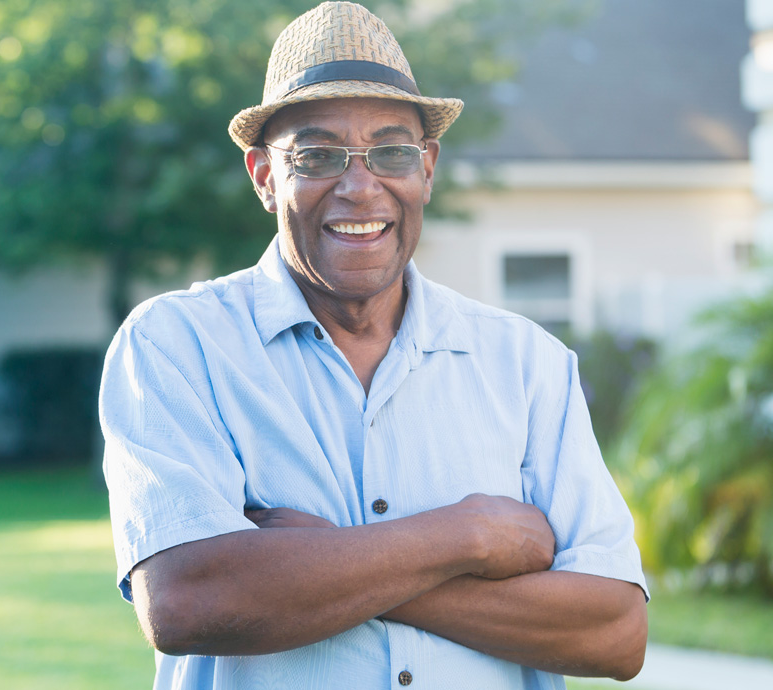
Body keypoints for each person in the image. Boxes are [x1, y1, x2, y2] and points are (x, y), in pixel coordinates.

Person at [98, 2, 648, 688]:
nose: (360, 187)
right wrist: (468, 537)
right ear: (265, 177)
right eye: (318, 155)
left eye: (391, 151)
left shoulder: (528, 363)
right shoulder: (176, 346)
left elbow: (616, 632)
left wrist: (314, 563)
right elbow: (188, 600)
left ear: (427, 168)